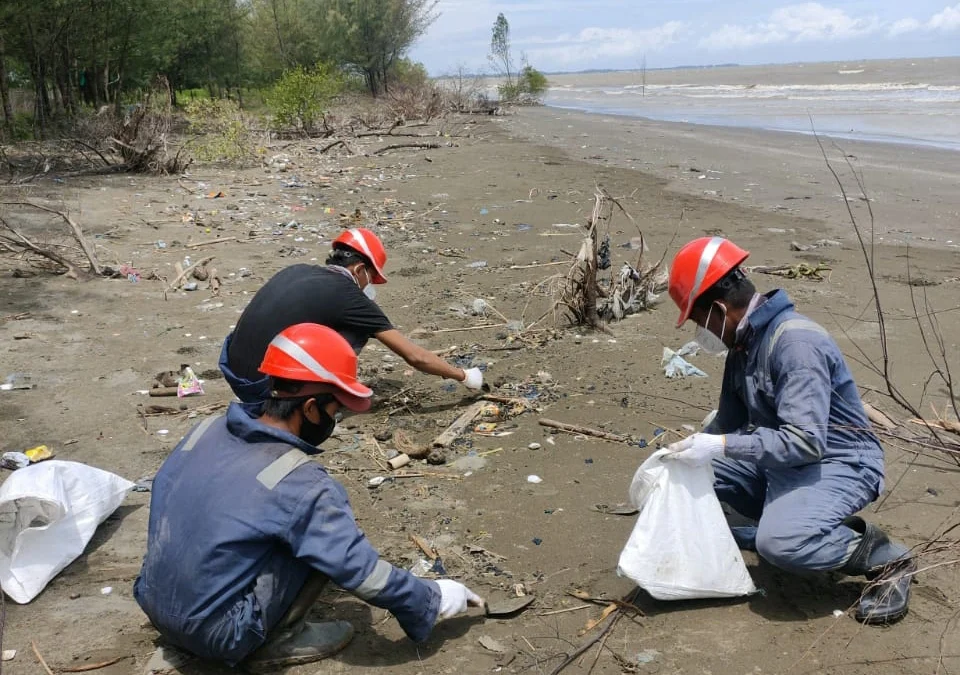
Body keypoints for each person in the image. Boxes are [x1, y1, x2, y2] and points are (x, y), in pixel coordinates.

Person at [135, 323, 484, 671]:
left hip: (152, 601)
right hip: (220, 633)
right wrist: (433, 599)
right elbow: (360, 571)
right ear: (311, 408)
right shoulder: (300, 481)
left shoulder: (205, 429)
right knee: (315, 541)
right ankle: (277, 638)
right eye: (336, 411)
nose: (336, 420)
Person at [663, 236, 915, 624]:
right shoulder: (743, 345)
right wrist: (686, 451)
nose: (701, 332)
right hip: (781, 461)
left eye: (699, 322)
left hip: (837, 462)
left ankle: (884, 557)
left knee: (779, 543)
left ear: (717, 308)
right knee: (680, 481)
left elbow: (804, 442)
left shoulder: (795, 343)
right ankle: (796, 521)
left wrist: (721, 445)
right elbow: (727, 424)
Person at [220, 227, 484, 405]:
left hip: (232, 368)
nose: (367, 285)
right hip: (260, 389)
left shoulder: (297, 270)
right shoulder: (349, 297)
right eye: (370, 277)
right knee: (359, 329)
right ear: (359, 269)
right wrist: (463, 375)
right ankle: (311, 399)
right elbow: (415, 356)